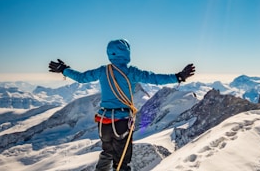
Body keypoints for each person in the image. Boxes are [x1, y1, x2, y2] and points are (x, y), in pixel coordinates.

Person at [48, 39, 195, 171]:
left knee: (107, 153)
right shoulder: (132, 72)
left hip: (103, 121)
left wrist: (64, 69)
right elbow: (155, 78)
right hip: (121, 123)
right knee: (122, 163)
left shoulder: (102, 71)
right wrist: (178, 76)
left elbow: (80, 77)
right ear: (127, 53)